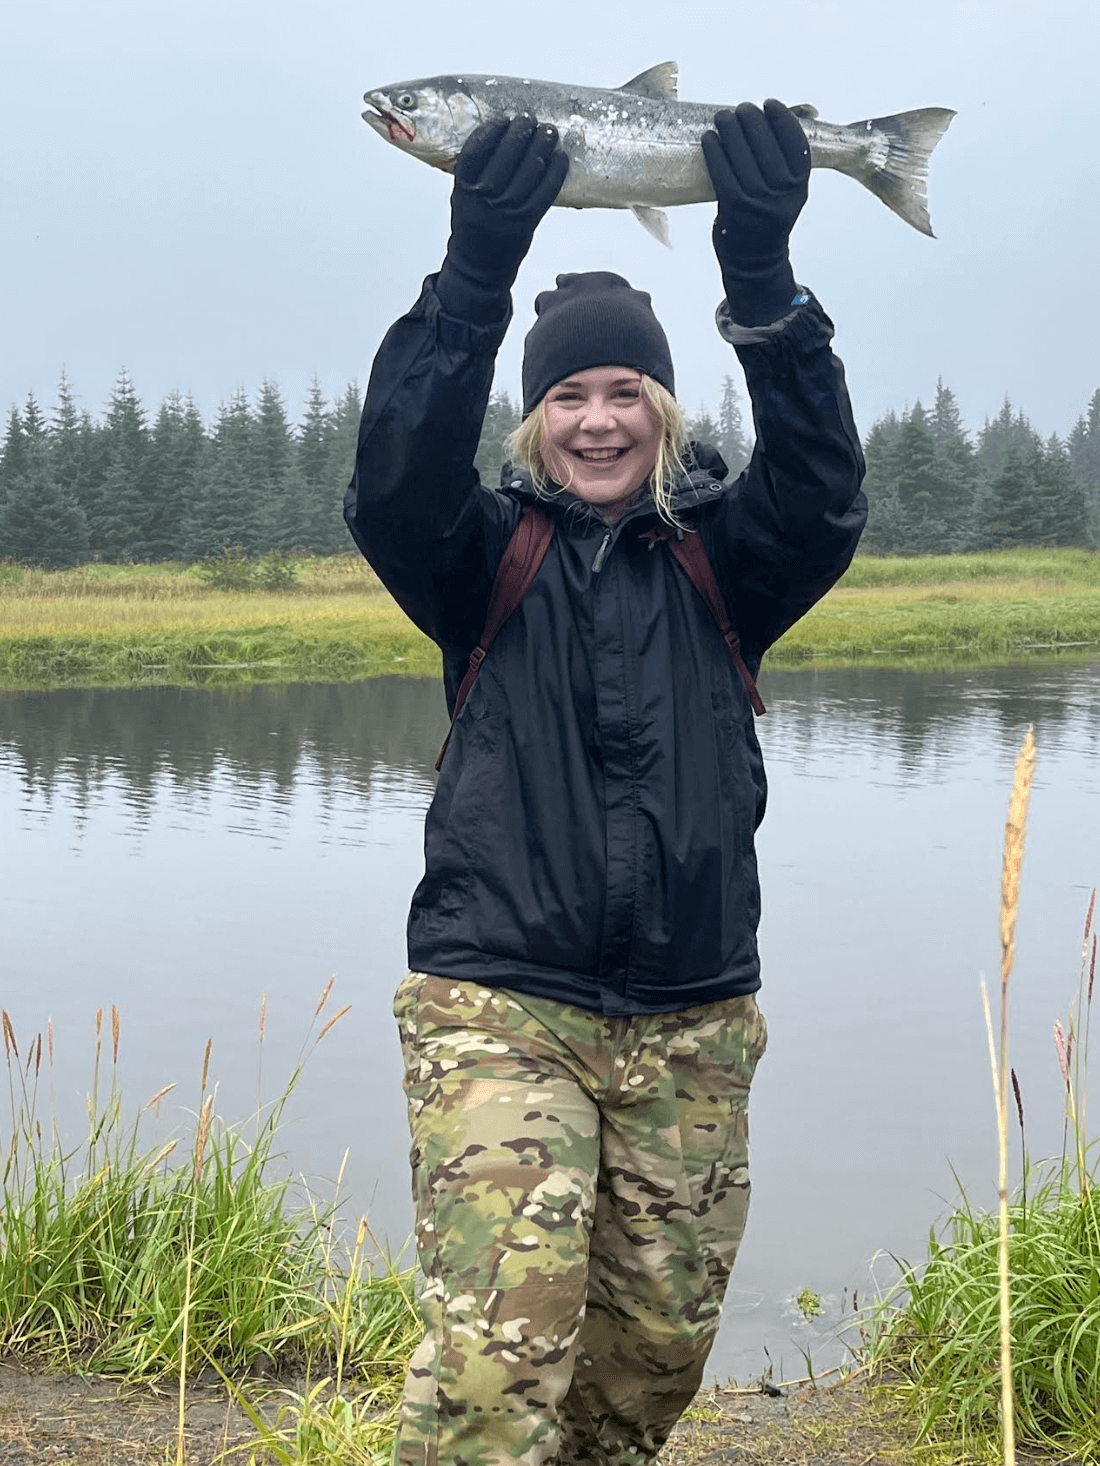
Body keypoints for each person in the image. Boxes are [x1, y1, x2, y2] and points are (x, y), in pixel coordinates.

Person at [345, 100, 867, 1466]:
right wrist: (470, 283)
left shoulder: (729, 556)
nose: (595, 418)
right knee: (496, 1355)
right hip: (500, 1003)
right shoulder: (478, 557)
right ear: (533, 417)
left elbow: (823, 493)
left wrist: (764, 284)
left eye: (623, 389)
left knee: (645, 1365)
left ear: (664, 404)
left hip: (694, 1019)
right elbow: (394, 484)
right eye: (568, 393)